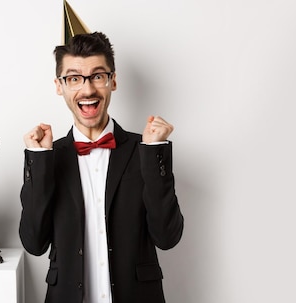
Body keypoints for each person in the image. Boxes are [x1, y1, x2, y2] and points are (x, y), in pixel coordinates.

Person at [19, 31, 184, 303]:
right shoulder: (50, 156)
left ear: (113, 81)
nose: (87, 90)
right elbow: (34, 243)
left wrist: (155, 151)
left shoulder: (141, 150)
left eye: (97, 76)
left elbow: (167, 237)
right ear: (59, 86)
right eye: (74, 78)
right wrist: (38, 159)